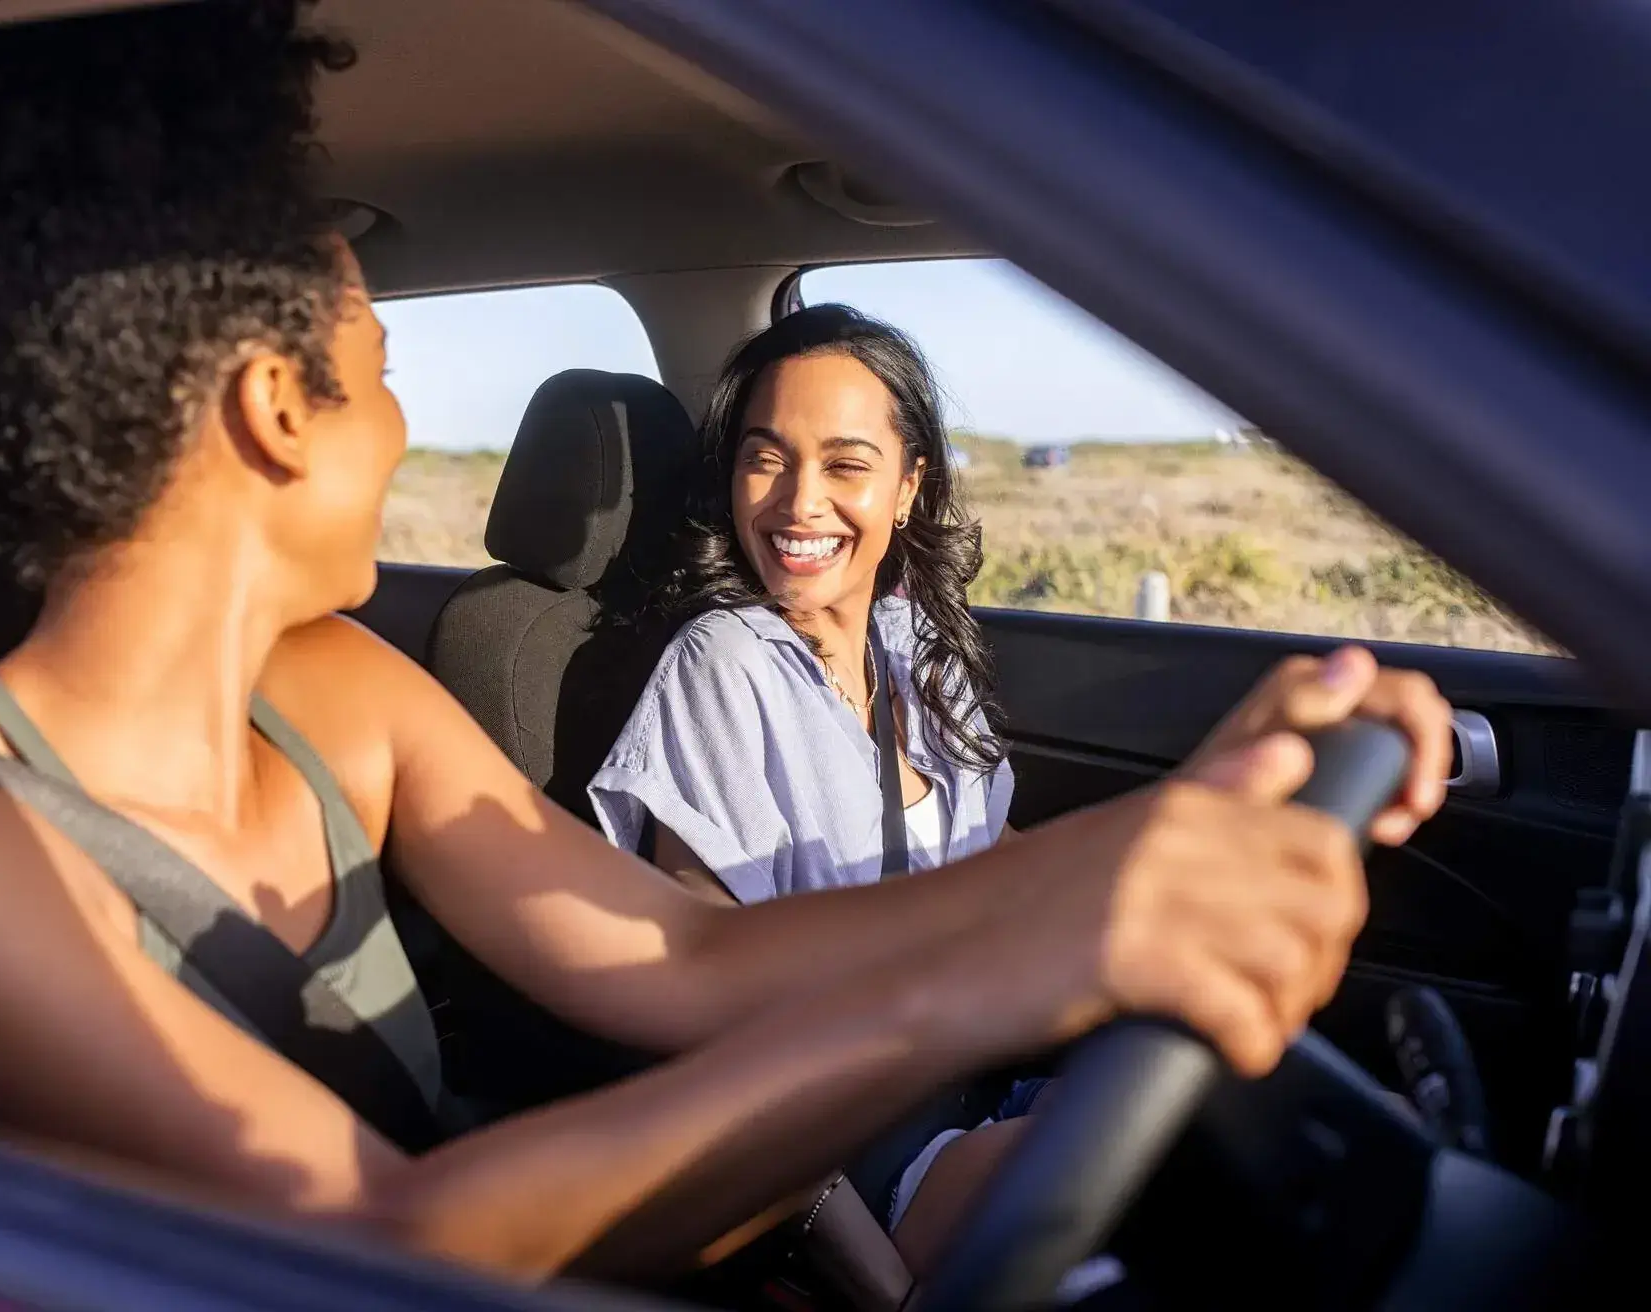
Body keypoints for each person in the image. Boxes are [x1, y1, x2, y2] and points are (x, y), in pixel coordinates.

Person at [0, 0, 1449, 1291]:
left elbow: (688, 958)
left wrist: (1163, 836)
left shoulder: (334, 692)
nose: (399, 427)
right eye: (379, 371)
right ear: (270, 410)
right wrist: (974, 987)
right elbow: (379, 1245)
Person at [588, 306, 1450, 1271]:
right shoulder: (720, 666)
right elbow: (710, 1039)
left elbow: (996, 875)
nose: (798, 502)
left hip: (996, 1071)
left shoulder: (915, 647)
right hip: (861, 1156)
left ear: (908, 487)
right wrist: (868, 1281)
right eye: (765, 458)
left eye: (845, 464)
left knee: (1333, 1131)